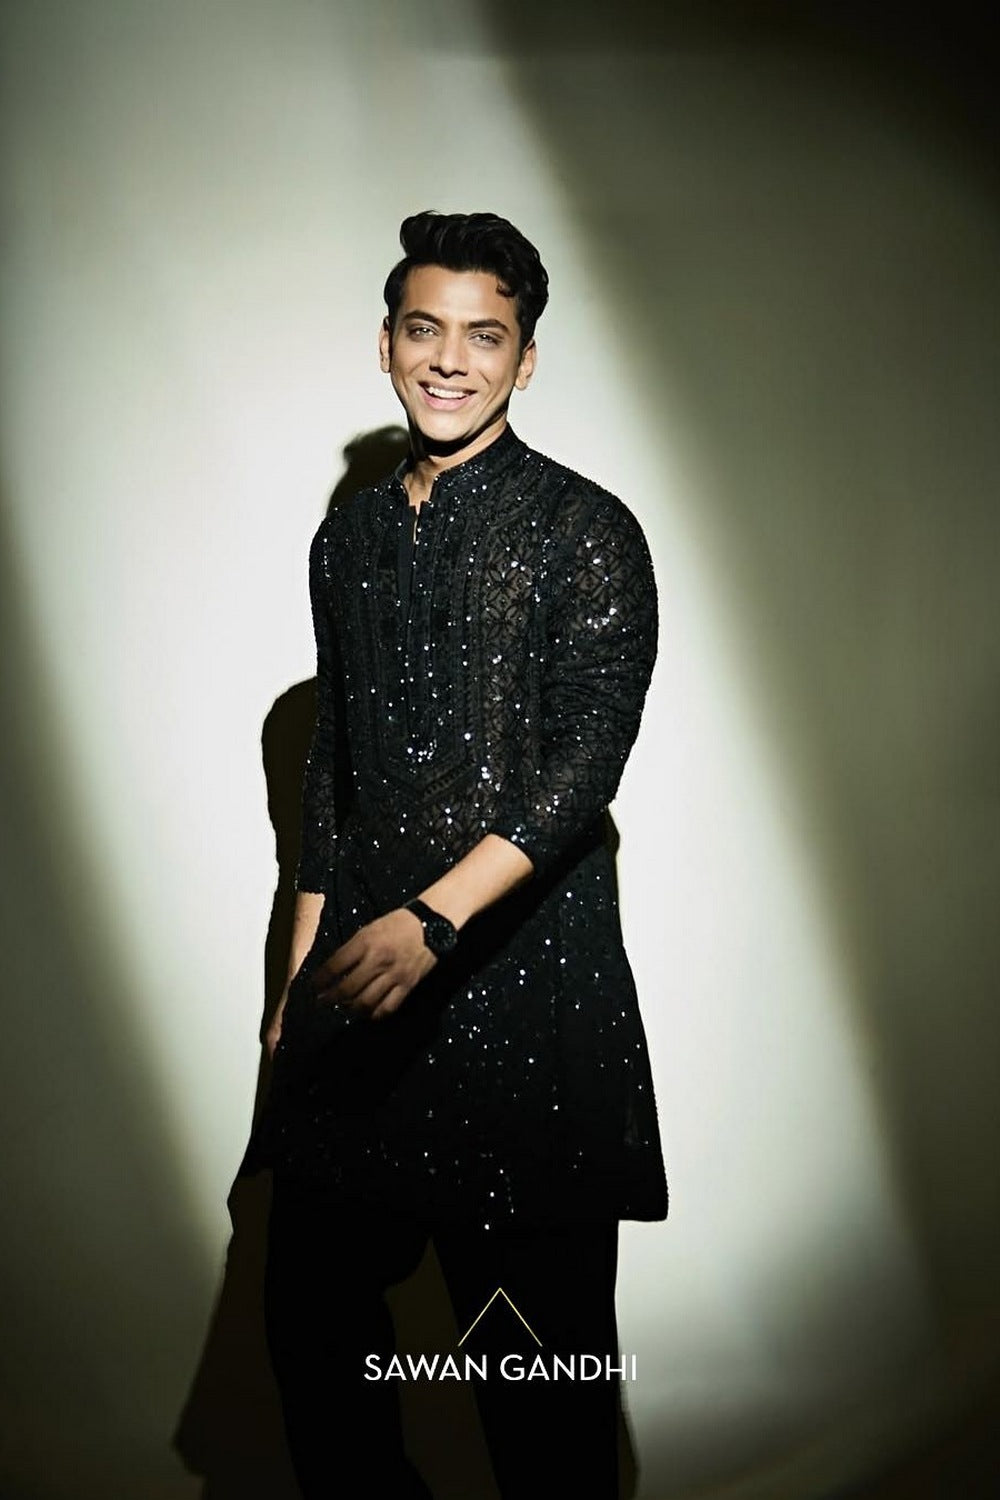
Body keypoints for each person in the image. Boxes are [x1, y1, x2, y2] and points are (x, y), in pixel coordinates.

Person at [255, 210, 668, 1499]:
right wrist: (295, 982)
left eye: (484, 337)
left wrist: (433, 921)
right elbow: (333, 771)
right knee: (312, 1343)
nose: (450, 359)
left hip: (526, 1004)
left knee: (542, 1407)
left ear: (525, 360)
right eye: (424, 330)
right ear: (386, 343)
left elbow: (584, 769)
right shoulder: (348, 539)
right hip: (363, 1005)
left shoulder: (586, 529)